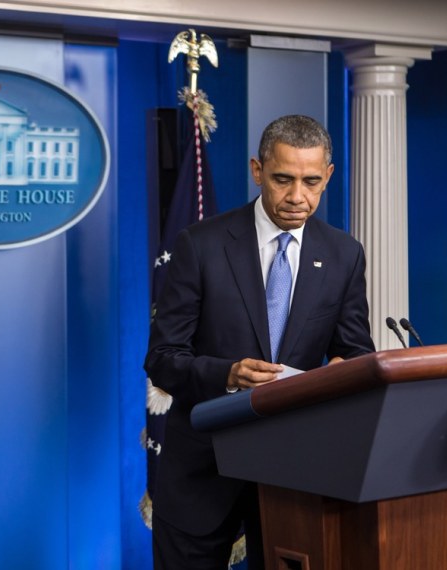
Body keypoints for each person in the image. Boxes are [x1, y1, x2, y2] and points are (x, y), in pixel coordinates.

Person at [144, 114, 375, 569]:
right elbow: (162, 358)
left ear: (328, 176)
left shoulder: (344, 254)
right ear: (257, 170)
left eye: (311, 181)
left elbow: (356, 352)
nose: (297, 197)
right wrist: (227, 374)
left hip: (292, 474)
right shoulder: (200, 244)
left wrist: (341, 373)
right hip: (202, 472)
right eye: (283, 179)